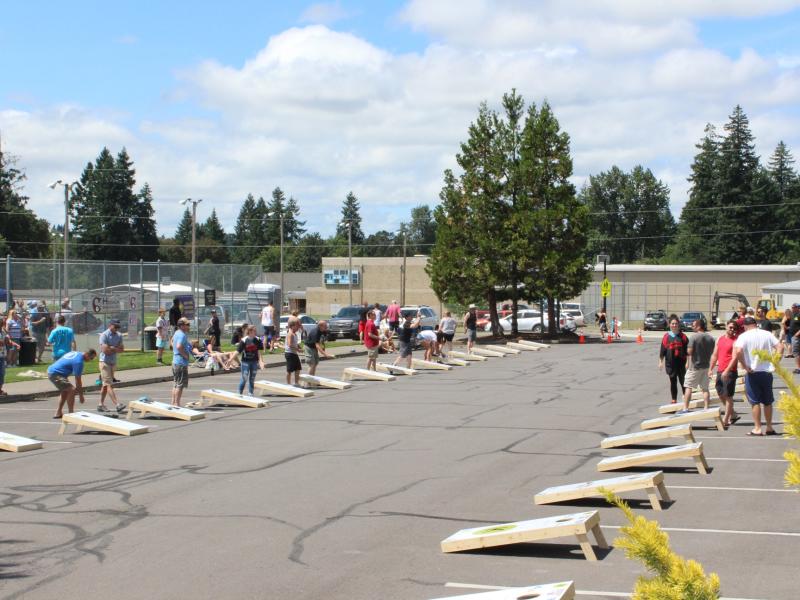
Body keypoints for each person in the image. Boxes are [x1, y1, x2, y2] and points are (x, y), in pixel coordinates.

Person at [723, 316, 782, 436]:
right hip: (766, 371)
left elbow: (738, 351)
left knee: (755, 402)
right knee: (767, 401)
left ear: (745, 326)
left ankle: (757, 428)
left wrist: (745, 366)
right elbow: (780, 347)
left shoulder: (743, 336)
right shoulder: (767, 334)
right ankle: (769, 427)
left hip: (753, 372)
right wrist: (775, 362)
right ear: (756, 324)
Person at [708, 319, 741, 428]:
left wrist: (727, 370)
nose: (732, 330)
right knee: (720, 392)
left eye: (734, 328)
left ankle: (726, 419)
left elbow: (735, 357)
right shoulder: (720, 339)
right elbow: (714, 355)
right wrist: (710, 368)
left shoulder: (735, 341)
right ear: (726, 326)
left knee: (728, 396)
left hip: (730, 371)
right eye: (730, 327)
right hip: (720, 370)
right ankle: (733, 414)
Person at [47, 349, 97, 419]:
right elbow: (78, 380)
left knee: (65, 391)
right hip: (55, 373)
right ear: (86, 354)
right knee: (72, 390)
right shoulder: (78, 362)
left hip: (54, 371)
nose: (90, 360)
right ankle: (71, 414)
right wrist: (81, 395)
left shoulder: (76, 353)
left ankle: (58, 412)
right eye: (91, 358)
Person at [679, 318, 715, 413]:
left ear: (699, 326)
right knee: (705, 388)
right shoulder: (710, 338)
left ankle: (685, 408)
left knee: (688, 386)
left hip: (695, 366)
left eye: (694, 325)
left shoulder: (694, 337)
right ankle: (706, 407)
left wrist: (687, 349)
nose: (692, 326)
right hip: (706, 366)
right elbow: (713, 352)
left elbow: (689, 352)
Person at [659, 314, 689, 403]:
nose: (674, 325)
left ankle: (685, 398)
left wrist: (688, 362)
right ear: (669, 324)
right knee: (673, 382)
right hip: (670, 363)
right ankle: (674, 399)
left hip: (681, 363)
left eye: (676, 323)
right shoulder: (666, 336)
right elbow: (662, 350)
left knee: (683, 381)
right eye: (672, 323)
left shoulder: (683, 336)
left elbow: (688, 351)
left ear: (678, 324)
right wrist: (660, 361)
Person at [97, 319, 126, 413]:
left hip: (113, 362)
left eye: (118, 327)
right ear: (110, 325)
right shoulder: (104, 335)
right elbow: (105, 350)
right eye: (115, 326)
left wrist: (112, 348)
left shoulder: (119, 335)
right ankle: (117, 404)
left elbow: (122, 349)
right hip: (104, 362)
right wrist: (114, 348)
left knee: (105, 385)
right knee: (109, 384)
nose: (117, 328)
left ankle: (100, 405)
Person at [237, 325, 264, 396]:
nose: (255, 332)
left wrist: (261, 361)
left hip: (254, 362)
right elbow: (237, 351)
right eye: (254, 331)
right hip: (245, 362)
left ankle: (250, 393)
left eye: (255, 331)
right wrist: (230, 359)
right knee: (244, 379)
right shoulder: (244, 340)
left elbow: (258, 352)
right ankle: (239, 393)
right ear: (249, 331)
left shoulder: (257, 339)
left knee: (252, 379)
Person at [171, 317, 191, 406]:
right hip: (181, 362)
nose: (188, 326)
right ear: (182, 326)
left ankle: (173, 402)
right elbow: (179, 346)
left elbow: (172, 341)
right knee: (180, 385)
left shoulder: (177, 333)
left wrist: (175, 350)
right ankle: (177, 404)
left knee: (176, 383)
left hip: (175, 361)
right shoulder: (182, 335)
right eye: (187, 325)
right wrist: (185, 355)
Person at [0, 317, 21, 396]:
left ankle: (0, 390)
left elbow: (7, 340)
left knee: (2, 373)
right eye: (2, 322)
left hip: (2, 356)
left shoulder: (2, 331)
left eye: (2, 323)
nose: (3, 324)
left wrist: (15, 344)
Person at [284, 317, 302, 385]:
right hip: (289, 353)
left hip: (294, 353)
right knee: (289, 370)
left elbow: (294, 343)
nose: (298, 327)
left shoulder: (295, 334)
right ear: (293, 326)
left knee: (298, 368)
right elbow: (289, 344)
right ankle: (288, 384)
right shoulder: (290, 334)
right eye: (297, 326)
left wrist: (298, 346)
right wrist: (298, 349)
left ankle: (296, 383)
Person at [789, 303, 800, 373]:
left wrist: (797, 334)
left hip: (797, 336)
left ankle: (799, 368)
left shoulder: (799, 315)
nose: (792, 308)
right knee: (797, 353)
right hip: (793, 336)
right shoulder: (794, 315)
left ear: (798, 308)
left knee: (796, 353)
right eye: (792, 307)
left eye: (794, 307)